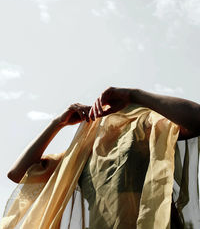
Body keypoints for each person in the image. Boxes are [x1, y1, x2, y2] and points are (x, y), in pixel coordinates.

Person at [5, 87, 200, 228]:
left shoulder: (143, 138)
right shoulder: (80, 160)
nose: (109, 118)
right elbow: (18, 173)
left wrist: (135, 95)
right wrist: (58, 122)